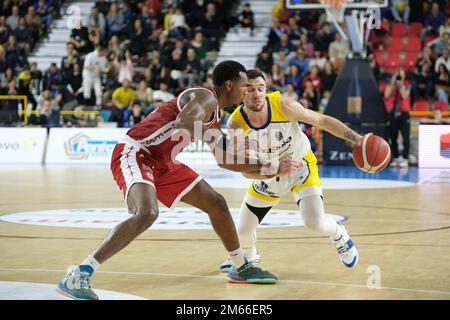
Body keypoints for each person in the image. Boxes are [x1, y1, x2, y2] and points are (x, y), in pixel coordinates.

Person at [57, 61, 301, 300]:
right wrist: (224, 140)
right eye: (244, 85)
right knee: (146, 213)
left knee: (216, 203)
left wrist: (267, 167)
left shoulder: (215, 117)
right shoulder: (206, 97)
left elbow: (224, 162)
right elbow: (184, 125)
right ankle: (79, 275)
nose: (247, 90)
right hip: (137, 151)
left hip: (164, 162)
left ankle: (241, 266)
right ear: (229, 85)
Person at [218, 70, 362, 273]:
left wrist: (357, 139)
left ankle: (339, 235)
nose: (256, 94)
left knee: (314, 222)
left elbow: (321, 121)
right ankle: (248, 259)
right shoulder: (235, 124)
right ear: (241, 93)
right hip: (268, 174)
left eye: (261, 88)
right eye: (250, 89)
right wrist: (273, 170)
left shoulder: (283, 105)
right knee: (242, 231)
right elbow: (246, 172)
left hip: (300, 167)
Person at [384, 69, 411, 168]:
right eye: (397, 74)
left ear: (404, 76)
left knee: (405, 137)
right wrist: (393, 81)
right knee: (393, 137)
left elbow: (404, 95)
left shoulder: (407, 85)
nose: (399, 76)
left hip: (404, 114)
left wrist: (400, 85)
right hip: (392, 114)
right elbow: (386, 94)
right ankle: (395, 157)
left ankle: (405, 158)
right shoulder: (390, 85)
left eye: (401, 74)